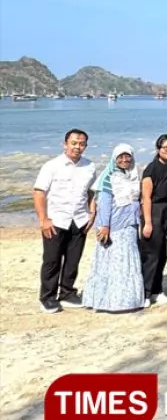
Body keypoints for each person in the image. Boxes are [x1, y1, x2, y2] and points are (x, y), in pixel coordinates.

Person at [33, 128, 98, 313]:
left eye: (82, 144)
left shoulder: (89, 166)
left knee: (73, 260)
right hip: (56, 220)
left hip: (79, 219)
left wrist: (92, 212)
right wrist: (43, 219)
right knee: (52, 260)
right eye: (74, 143)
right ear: (65, 144)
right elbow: (39, 192)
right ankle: (47, 297)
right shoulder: (52, 165)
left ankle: (68, 293)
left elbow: (91, 191)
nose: (78, 147)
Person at [82, 144, 146, 312]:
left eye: (127, 156)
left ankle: (129, 300)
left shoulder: (132, 174)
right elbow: (103, 203)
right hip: (114, 225)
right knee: (114, 262)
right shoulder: (109, 177)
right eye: (120, 157)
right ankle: (110, 301)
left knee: (128, 261)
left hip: (130, 224)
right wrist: (104, 225)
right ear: (114, 159)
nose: (124, 160)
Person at [139, 134, 167, 307]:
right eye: (166, 147)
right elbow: (146, 197)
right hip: (155, 211)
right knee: (151, 253)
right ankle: (145, 292)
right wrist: (148, 223)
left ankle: (157, 290)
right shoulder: (151, 169)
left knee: (164, 252)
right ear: (159, 149)